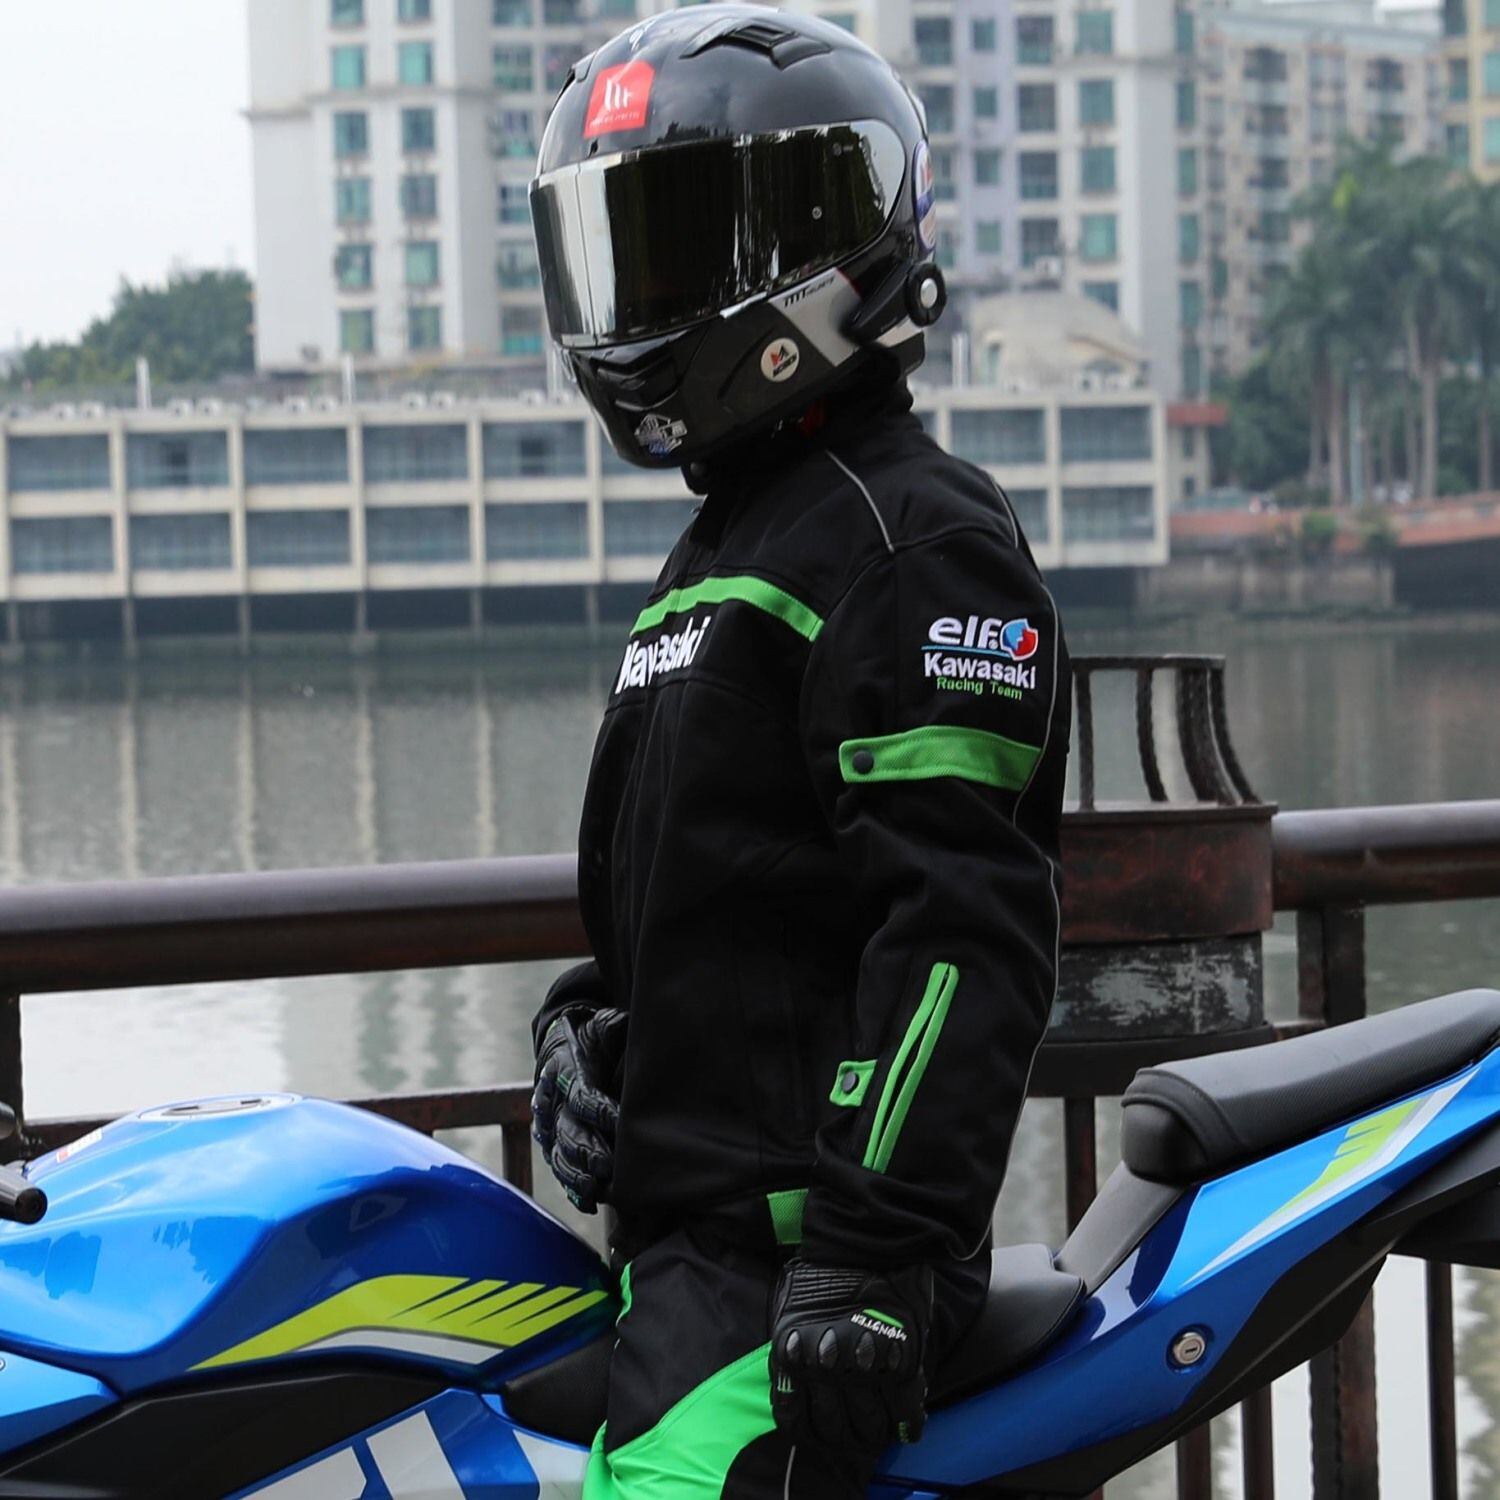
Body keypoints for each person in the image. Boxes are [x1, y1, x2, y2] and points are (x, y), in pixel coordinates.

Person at [528, 8, 1071, 1496]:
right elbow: (709, 887)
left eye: (680, 245)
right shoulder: (732, 545)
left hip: (795, 1284)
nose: (642, 298)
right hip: (687, 1263)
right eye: (620, 248)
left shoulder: (910, 541)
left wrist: (873, 1258)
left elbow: (963, 928)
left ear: (821, 251)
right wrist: (589, 1030)